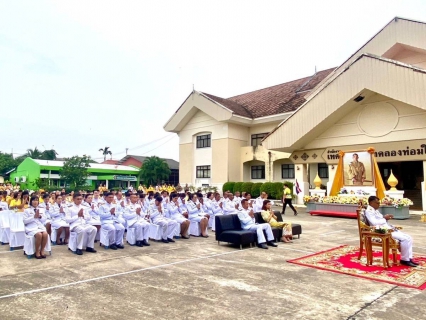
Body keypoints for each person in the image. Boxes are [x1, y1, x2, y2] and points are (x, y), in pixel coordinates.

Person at [365, 196, 417, 267]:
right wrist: (384, 219)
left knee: (409, 237)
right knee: (405, 239)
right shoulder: (369, 211)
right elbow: (374, 223)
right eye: (377, 203)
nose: (379, 204)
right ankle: (404, 260)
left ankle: (409, 258)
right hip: (381, 231)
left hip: (387, 228)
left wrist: (386, 217)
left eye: (379, 203)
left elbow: (381, 219)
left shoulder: (375, 210)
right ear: (371, 203)